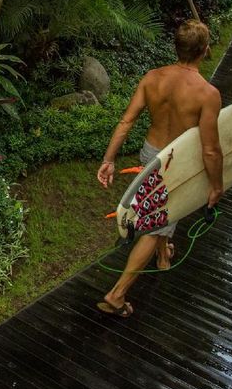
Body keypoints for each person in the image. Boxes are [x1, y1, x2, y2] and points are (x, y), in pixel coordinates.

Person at [94, 19, 224, 317]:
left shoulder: (152, 78)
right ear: (204, 50)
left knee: (160, 213)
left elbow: (126, 121)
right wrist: (216, 185)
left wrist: (108, 159)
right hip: (177, 163)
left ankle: (163, 256)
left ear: (176, 48)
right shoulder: (207, 94)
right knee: (155, 226)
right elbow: (210, 149)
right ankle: (117, 295)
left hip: (151, 155)